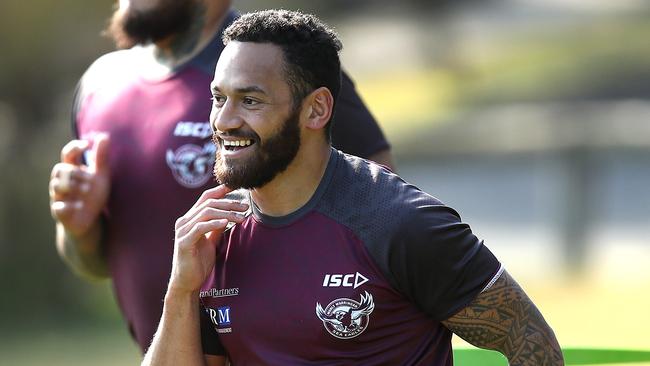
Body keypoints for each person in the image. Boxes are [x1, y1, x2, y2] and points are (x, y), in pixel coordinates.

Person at [142, 9, 564, 366]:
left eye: (250, 101)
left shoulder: (400, 224)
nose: (223, 121)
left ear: (317, 109)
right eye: (219, 98)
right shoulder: (215, 235)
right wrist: (181, 289)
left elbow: (531, 342)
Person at [47, 0, 393, 353]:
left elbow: (384, 217)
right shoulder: (99, 84)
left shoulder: (277, 62)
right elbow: (96, 263)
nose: (226, 116)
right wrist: (79, 229)